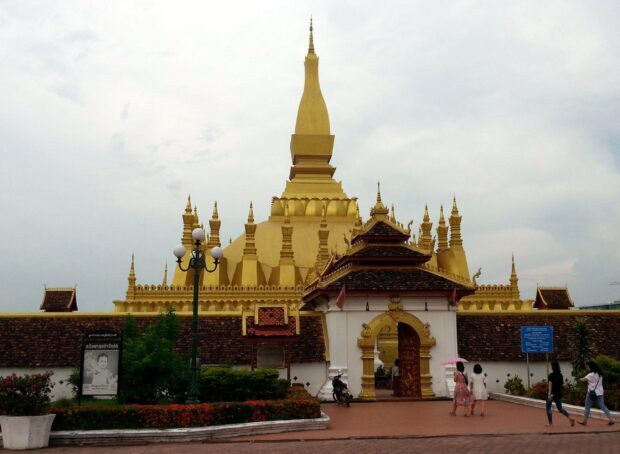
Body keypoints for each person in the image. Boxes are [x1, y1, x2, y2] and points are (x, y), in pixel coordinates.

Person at [578, 361, 615, 426]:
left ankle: (584, 421)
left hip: (591, 393)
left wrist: (580, 379)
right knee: (602, 406)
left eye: (588, 366)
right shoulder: (600, 374)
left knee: (587, 407)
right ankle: (611, 419)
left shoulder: (590, 374)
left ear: (590, 367)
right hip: (600, 392)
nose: (588, 368)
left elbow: (583, 380)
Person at [546, 361, 575, 427]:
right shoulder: (560, 375)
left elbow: (550, 385)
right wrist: (567, 386)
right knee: (560, 408)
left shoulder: (551, 375)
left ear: (552, 367)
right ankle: (570, 418)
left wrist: (549, 394)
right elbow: (562, 385)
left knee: (548, 408)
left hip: (552, 394)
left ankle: (550, 423)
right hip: (558, 394)